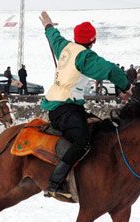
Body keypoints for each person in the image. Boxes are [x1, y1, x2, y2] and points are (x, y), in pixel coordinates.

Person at [39, 11, 132, 198]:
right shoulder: (85, 57)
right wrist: (126, 86)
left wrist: (48, 26)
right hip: (64, 109)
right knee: (83, 141)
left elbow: (54, 38)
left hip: (66, 106)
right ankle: (54, 184)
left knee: (99, 128)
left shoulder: (66, 47)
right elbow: (109, 69)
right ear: (93, 40)